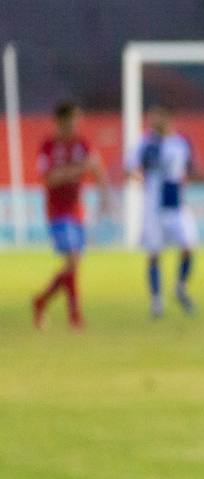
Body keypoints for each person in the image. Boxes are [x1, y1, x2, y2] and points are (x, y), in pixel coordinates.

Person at [30, 100, 110, 330]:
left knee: (74, 263)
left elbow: (96, 168)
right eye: (73, 119)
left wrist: (104, 197)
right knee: (74, 259)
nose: (77, 123)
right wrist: (77, 170)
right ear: (61, 120)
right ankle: (74, 316)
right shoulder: (48, 146)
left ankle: (42, 301)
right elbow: (48, 179)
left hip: (76, 210)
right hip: (57, 211)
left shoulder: (82, 144)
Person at [127, 104, 200, 319]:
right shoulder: (146, 143)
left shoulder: (181, 142)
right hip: (153, 206)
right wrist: (141, 179)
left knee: (188, 245)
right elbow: (130, 167)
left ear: (167, 118)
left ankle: (180, 288)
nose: (152, 119)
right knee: (154, 253)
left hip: (177, 204)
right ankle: (156, 300)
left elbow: (190, 169)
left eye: (156, 115)